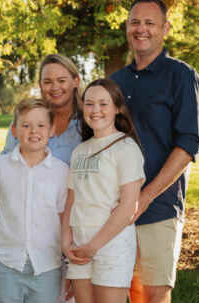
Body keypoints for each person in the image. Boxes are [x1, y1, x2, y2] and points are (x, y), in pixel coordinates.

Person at [110, 0, 199, 303]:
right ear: (126, 27)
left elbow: (189, 144)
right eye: (135, 22)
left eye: (150, 23)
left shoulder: (182, 77)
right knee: (116, 294)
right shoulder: (115, 82)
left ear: (165, 29)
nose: (141, 29)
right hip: (113, 211)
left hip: (159, 209)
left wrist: (145, 196)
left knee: (151, 298)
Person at [0, 54, 82, 301]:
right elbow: (7, 164)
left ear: (75, 81)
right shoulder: (28, 119)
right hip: (16, 249)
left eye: (61, 80)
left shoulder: (87, 124)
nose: (55, 87)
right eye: (47, 81)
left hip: (68, 232)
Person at [61, 78, 145, 303]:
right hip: (80, 247)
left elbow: (128, 206)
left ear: (117, 108)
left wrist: (94, 246)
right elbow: (71, 201)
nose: (95, 110)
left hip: (111, 244)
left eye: (103, 104)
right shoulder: (79, 151)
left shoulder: (126, 148)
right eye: (89, 104)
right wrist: (66, 242)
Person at [0, 98, 69, 303]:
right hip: (7, 264)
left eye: (41, 125)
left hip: (47, 267)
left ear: (52, 130)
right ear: (14, 130)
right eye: (26, 125)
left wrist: (69, 266)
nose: (33, 131)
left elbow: (65, 220)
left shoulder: (61, 172)